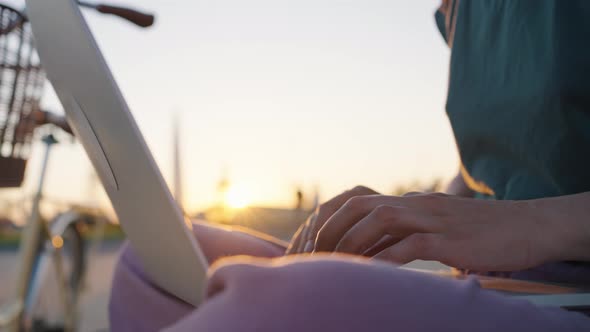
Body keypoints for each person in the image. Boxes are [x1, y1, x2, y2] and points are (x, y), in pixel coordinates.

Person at [109, 1, 590, 331]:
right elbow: (497, 164)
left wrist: (532, 223)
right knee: (152, 270)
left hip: (571, 287)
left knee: (283, 307)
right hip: (498, 280)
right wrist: (399, 214)